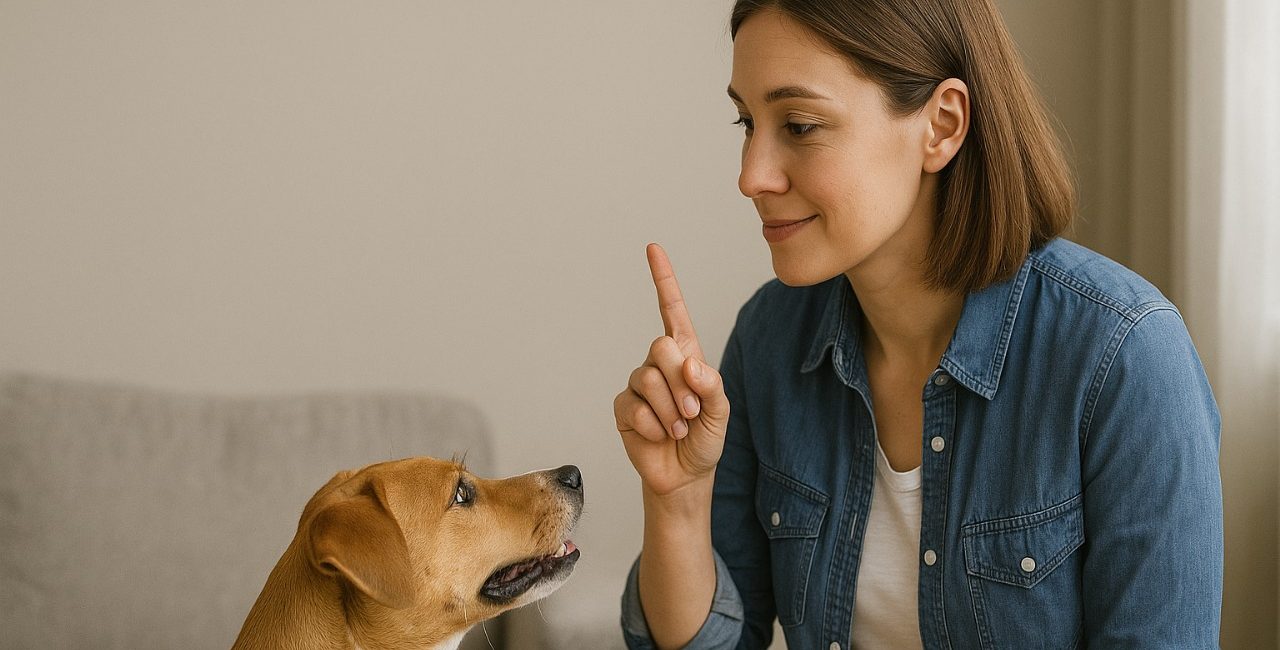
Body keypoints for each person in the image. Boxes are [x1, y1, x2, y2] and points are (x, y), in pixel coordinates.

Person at [613, 1, 1223, 648]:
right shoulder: (769, 338)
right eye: (746, 121)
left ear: (942, 125)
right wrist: (676, 501)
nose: (751, 175)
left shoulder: (1125, 358)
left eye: (799, 124)